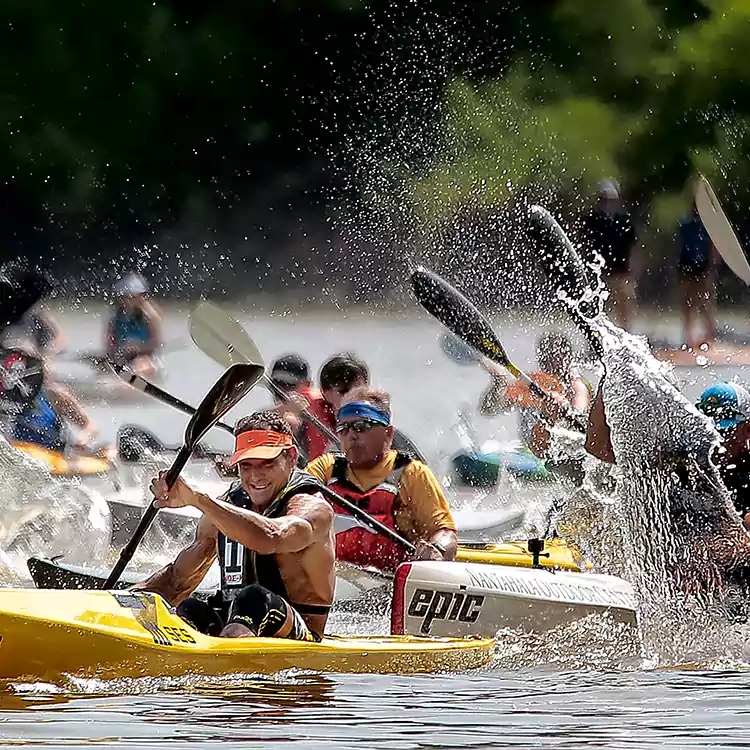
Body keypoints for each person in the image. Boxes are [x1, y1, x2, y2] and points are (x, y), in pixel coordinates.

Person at [133, 410, 335, 641]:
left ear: (291, 456)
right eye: (246, 465)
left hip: (300, 632)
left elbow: (272, 537)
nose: (256, 476)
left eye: (267, 463)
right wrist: (120, 602)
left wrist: (198, 500)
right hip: (237, 620)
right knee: (190, 610)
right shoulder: (228, 507)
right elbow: (177, 581)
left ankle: (226, 659)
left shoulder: (313, 509)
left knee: (255, 600)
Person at [305, 387, 457, 572]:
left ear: (388, 433)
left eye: (362, 426)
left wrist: (438, 550)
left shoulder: (412, 473)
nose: (352, 435)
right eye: (343, 429)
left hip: (390, 579)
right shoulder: (325, 468)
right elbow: (292, 500)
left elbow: (445, 533)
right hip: (335, 575)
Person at [479, 332, 591, 453]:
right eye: (547, 357)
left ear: (568, 358)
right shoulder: (530, 384)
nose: (552, 363)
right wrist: (498, 383)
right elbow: (489, 409)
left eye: (557, 357)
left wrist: (560, 408)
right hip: (530, 451)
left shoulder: (577, 386)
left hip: (565, 450)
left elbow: (579, 411)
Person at [276, 353, 370, 462]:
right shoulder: (305, 415)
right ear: (326, 393)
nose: (354, 398)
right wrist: (284, 409)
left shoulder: (379, 424)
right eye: (344, 391)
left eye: (360, 392)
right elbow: (263, 421)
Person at [579, 180, 639, 330]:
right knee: (599, 306)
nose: (606, 202)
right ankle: (598, 334)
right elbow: (583, 244)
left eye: (609, 199)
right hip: (599, 272)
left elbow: (632, 247)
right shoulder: (592, 220)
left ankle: (626, 332)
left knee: (625, 304)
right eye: (603, 199)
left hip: (621, 270)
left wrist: (634, 268)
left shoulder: (623, 221)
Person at [696, 383, 750, 528]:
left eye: (723, 432)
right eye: (709, 432)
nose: (715, 440)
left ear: (747, 429)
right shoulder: (694, 466)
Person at [678, 203, 719, 349]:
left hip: (703, 266)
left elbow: (713, 247)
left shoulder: (708, 225)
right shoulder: (685, 223)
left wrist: (712, 267)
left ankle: (711, 335)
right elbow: (680, 245)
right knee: (688, 302)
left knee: (705, 301)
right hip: (687, 265)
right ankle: (689, 336)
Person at [105, 273, 163, 379]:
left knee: (138, 365)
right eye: (124, 297)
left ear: (141, 297)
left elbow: (156, 344)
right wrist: (116, 355)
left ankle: (132, 382)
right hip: (123, 359)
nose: (127, 301)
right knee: (105, 369)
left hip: (147, 359)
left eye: (131, 297)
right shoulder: (114, 317)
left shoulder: (150, 316)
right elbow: (110, 347)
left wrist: (138, 347)